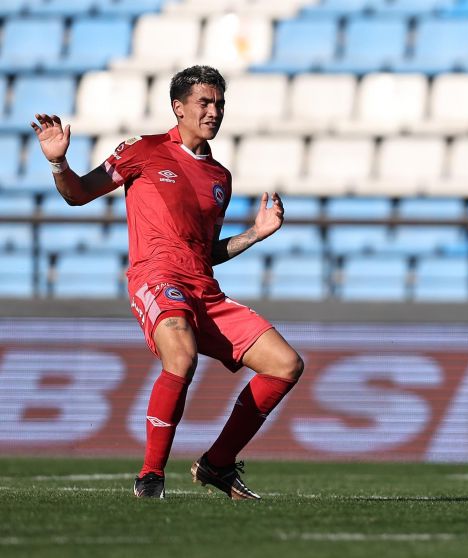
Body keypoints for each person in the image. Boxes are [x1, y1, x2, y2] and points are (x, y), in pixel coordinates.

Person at [30, 65, 304, 500]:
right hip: (155, 278)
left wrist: (255, 234)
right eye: (204, 103)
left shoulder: (220, 178)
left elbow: (206, 251)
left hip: (204, 289)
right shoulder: (143, 149)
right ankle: (151, 476)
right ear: (178, 108)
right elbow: (78, 193)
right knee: (182, 354)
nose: (213, 111)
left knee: (286, 365)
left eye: (219, 104)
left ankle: (217, 465)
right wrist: (59, 161)